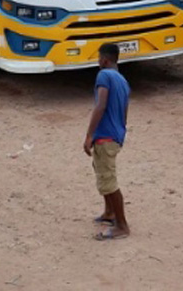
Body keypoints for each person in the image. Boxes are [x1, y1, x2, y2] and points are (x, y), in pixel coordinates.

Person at [83, 43, 131, 240]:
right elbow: (124, 113)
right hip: (116, 134)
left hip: (105, 136)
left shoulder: (103, 75)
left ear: (104, 59)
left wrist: (89, 135)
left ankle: (122, 225)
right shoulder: (123, 81)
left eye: (99, 57)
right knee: (104, 173)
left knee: (108, 180)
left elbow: (100, 105)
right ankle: (109, 213)